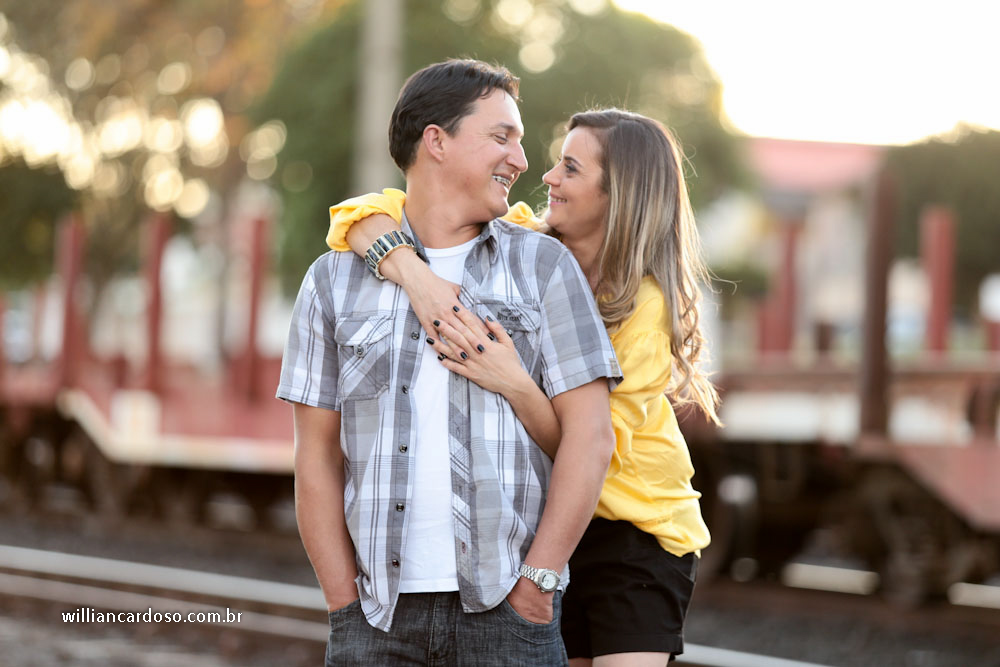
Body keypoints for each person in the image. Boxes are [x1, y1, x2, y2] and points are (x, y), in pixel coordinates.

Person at [327, 108, 721, 665]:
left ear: (620, 194)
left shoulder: (647, 308)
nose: (548, 177)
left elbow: (589, 446)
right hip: (549, 528)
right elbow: (360, 216)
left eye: (571, 168)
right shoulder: (522, 243)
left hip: (633, 531)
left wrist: (513, 382)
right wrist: (416, 278)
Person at [276, 59, 621, 666]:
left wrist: (536, 587)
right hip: (376, 622)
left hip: (509, 616)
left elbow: (591, 438)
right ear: (435, 141)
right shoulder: (332, 282)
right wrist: (342, 605)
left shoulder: (544, 268)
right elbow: (316, 457)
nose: (521, 160)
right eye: (501, 137)